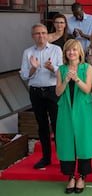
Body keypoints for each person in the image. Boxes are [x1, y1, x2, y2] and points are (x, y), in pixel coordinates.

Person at [55, 39, 92, 194]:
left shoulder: (87, 67)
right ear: (65, 53)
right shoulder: (61, 69)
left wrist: (76, 79)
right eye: (68, 50)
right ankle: (70, 177)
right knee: (67, 142)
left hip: (82, 109)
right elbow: (58, 92)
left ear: (79, 52)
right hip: (66, 109)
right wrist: (66, 80)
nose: (71, 52)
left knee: (83, 142)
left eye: (74, 50)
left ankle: (82, 176)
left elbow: (87, 89)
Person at [20, 23, 63, 169]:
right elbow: (25, 75)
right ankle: (46, 157)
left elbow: (62, 71)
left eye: (44, 33)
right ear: (33, 36)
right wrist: (33, 68)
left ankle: (63, 157)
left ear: (47, 34)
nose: (41, 36)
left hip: (52, 90)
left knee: (58, 125)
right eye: (38, 33)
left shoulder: (56, 50)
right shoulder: (27, 53)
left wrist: (52, 68)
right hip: (36, 92)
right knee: (42, 125)